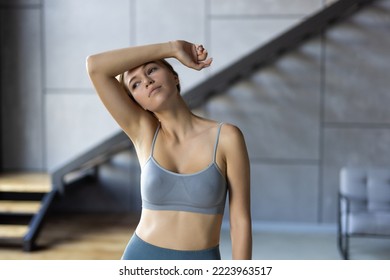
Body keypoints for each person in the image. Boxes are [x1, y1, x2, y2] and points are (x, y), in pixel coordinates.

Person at [86, 40, 252, 260]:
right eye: (135, 84)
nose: (146, 81)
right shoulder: (143, 133)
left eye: (152, 69)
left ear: (175, 77)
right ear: (138, 102)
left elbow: (240, 221)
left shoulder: (227, 137)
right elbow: (95, 67)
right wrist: (172, 48)